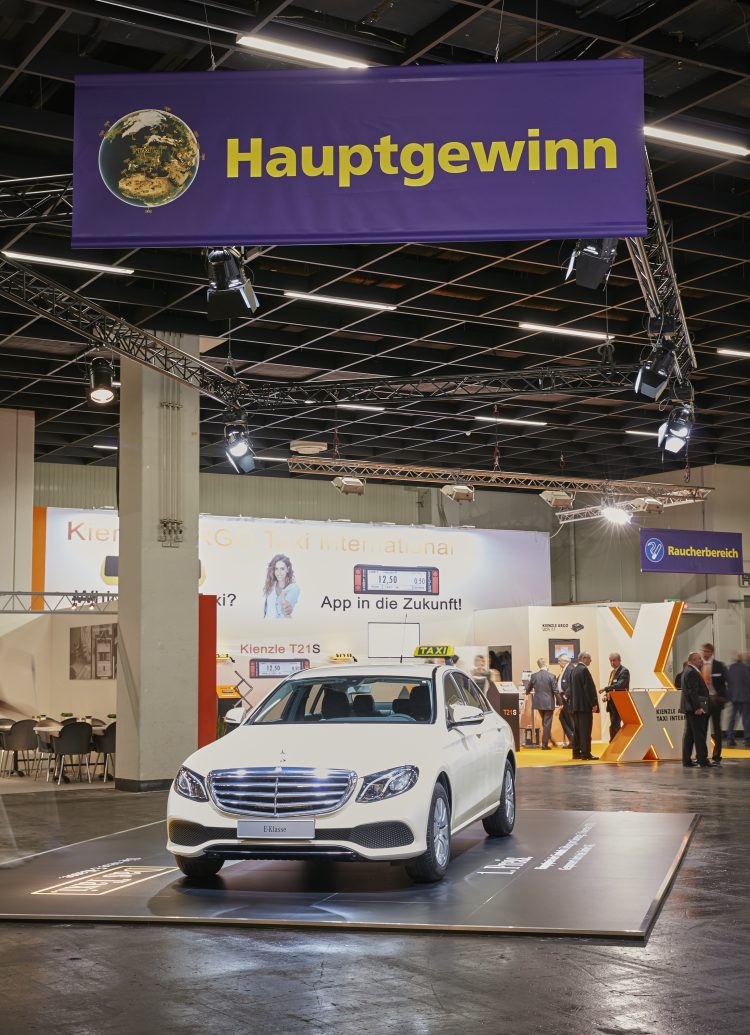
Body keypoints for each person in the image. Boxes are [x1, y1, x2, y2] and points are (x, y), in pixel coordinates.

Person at [680, 650, 713, 768]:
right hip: (695, 710)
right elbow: (692, 692)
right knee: (699, 735)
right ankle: (703, 760)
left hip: (690, 709)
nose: (701, 660)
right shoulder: (692, 672)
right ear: (693, 660)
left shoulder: (687, 671)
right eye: (699, 658)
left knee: (689, 736)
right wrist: (698, 707)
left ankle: (686, 760)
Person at [700, 643, 729, 764]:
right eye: (704, 651)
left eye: (707, 651)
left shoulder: (719, 665)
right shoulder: (699, 665)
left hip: (716, 701)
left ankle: (717, 755)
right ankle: (702, 755)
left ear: (712, 652)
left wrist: (722, 697)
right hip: (703, 701)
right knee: (702, 729)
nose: (705, 653)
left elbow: (727, 682)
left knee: (717, 729)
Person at [570, 650, 599, 760]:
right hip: (584, 707)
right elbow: (589, 689)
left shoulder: (574, 670)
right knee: (585, 731)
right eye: (589, 658)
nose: (591, 660)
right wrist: (594, 703)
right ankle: (586, 754)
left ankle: (576, 753)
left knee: (577, 731)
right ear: (583, 658)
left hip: (575, 706)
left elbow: (571, 689)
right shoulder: (584, 670)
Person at [527, 658, 557, 750]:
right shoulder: (551, 676)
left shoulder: (534, 676)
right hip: (548, 703)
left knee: (545, 722)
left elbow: (528, 688)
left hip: (538, 703)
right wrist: (560, 702)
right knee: (547, 723)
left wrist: (527, 692)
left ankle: (549, 739)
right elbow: (555, 691)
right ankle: (544, 744)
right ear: (546, 664)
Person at [262, 554, 300, 619]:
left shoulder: (294, 588)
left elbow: (286, 610)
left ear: (287, 569)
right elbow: (267, 610)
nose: (279, 572)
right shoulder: (271, 585)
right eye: (276, 569)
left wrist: (284, 600)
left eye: (282, 569)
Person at [602, 652, 630, 741]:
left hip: (620, 703)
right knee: (615, 726)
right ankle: (617, 743)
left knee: (614, 726)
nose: (612, 663)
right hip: (611, 703)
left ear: (619, 660)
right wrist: (606, 695)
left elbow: (619, 685)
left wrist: (605, 689)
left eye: (614, 660)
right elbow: (611, 686)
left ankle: (613, 743)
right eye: (610, 661)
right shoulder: (612, 672)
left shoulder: (624, 671)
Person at [726, 652, 750, 748]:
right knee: (746, 718)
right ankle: (748, 738)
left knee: (732, 718)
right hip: (745, 697)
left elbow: (729, 682)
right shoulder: (746, 668)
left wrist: (730, 695)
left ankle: (730, 738)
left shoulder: (731, 668)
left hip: (734, 697)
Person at [555, 653, 575, 749]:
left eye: (559, 661)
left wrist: (566, 696)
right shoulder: (564, 670)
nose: (558, 663)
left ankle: (574, 740)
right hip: (563, 698)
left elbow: (572, 684)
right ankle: (572, 738)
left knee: (569, 719)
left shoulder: (570, 669)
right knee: (562, 717)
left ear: (564, 661)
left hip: (567, 698)